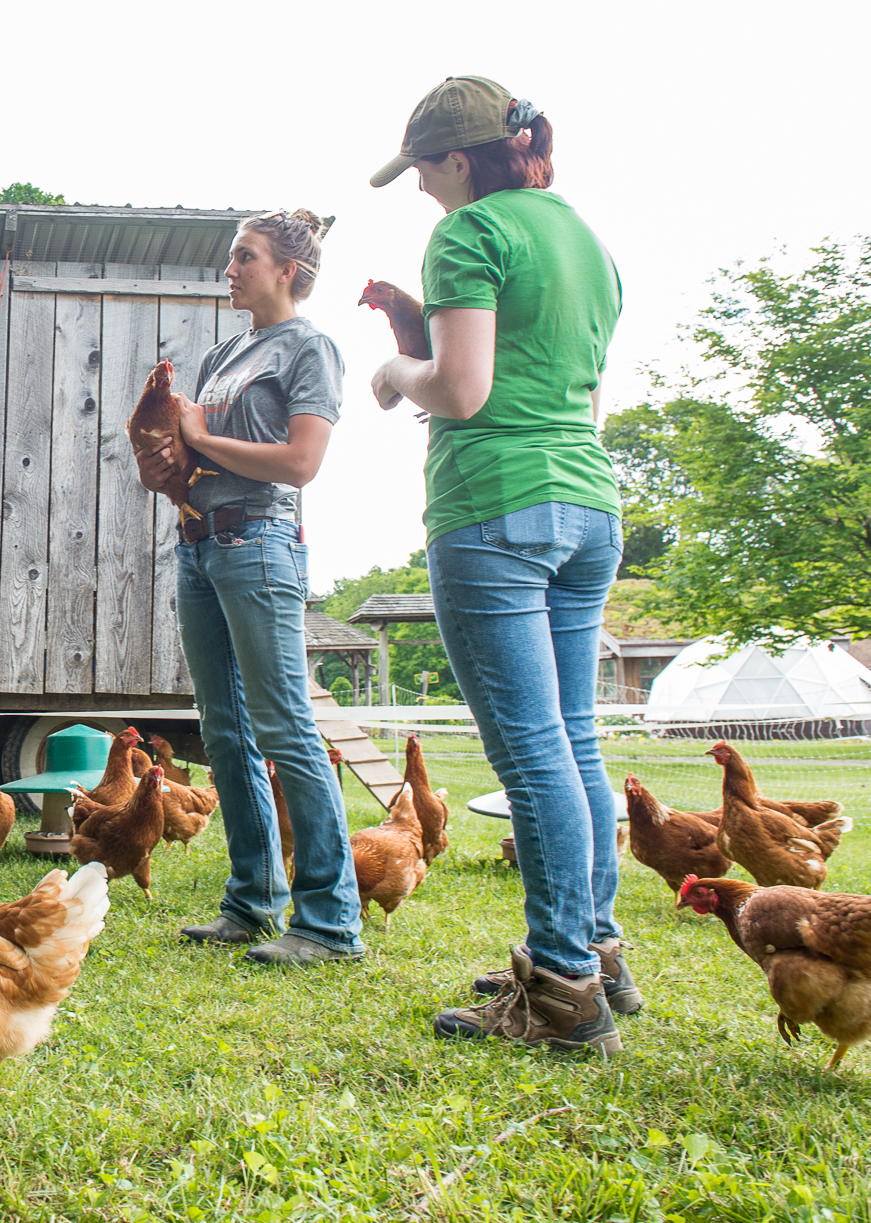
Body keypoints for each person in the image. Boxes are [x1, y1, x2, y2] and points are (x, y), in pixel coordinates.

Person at [365, 77, 633, 1053]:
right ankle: (593, 952)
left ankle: (559, 984)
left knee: (530, 753)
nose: (421, 190)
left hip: (493, 508)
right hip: (587, 502)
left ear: (455, 160)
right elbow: (575, 393)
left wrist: (398, 373)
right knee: (573, 740)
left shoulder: (468, 233)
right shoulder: (586, 244)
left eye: (423, 170)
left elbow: (463, 389)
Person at [135, 209, 365, 967]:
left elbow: (301, 462)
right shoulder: (224, 353)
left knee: (285, 728)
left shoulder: (310, 347)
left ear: (287, 272)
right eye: (232, 257)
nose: (229, 269)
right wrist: (168, 463)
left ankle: (330, 922)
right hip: (197, 545)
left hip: (260, 542)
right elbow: (194, 458)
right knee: (224, 730)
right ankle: (253, 899)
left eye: (245, 257)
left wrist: (200, 436)